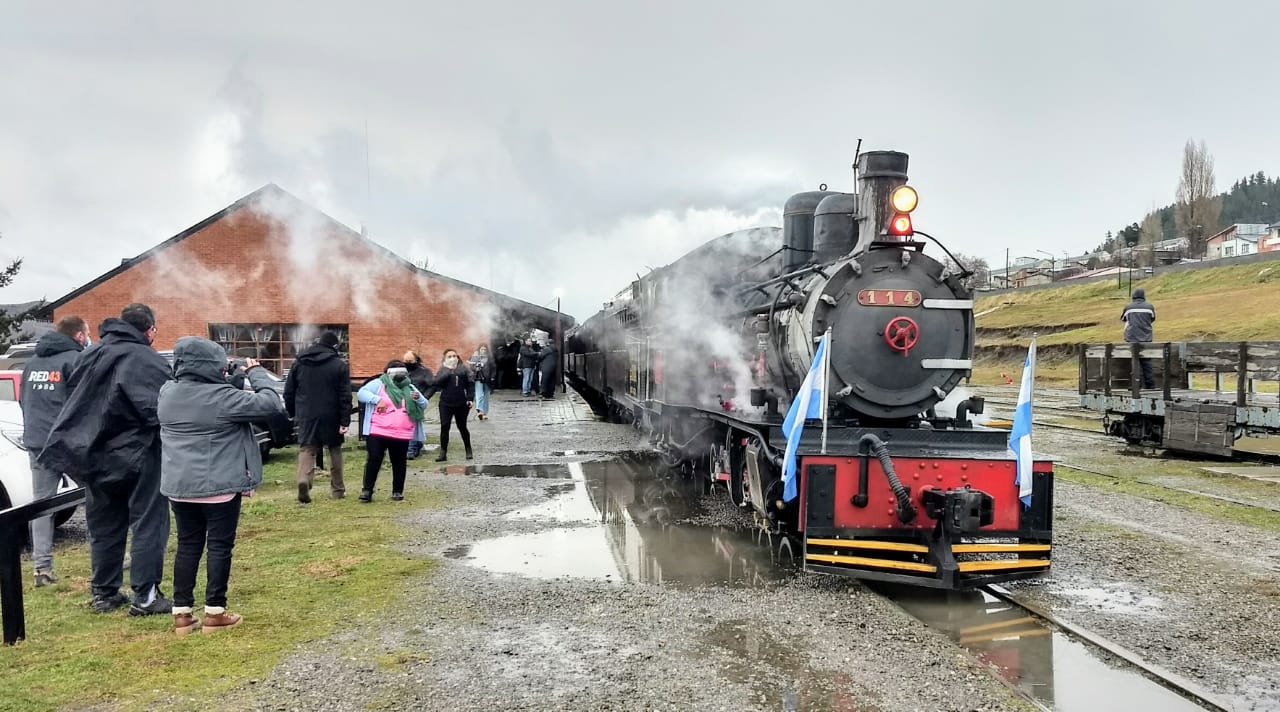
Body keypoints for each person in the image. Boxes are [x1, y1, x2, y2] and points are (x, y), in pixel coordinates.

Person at [40, 304, 173, 615]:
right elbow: (157, 409)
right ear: (149, 330)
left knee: (104, 525)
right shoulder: (145, 360)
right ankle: (146, 596)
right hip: (139, 454)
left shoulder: (88, 355)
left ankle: (104, 593)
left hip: (92, 454)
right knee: (149, 523)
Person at [158, 339, 285, 635]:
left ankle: (182, 615)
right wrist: (255, 373)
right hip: (219, 487)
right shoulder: (223, 398)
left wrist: (233, 381)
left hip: (180, 486)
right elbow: (270, 404)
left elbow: (209, 401)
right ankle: (215, 611)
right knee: (218, 546)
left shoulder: (167, 392)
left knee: (188, 546)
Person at [19, 316, 90, 587]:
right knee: (97, 497)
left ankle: (42, 569)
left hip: (37, 442)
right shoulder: (75, 360)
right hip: (69, 442)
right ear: (79, 336)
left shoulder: (32, 363)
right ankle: (109, 557)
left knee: (42, 506)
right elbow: (83, 404)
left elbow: (25, 401)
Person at [284, 332, 352, 503]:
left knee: (307, 449)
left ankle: (303, 481)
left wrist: (293, 412)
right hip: (332, 413)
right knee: (334, 449)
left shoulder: (299, 362)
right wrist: (345, 420)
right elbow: (345, 395)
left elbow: (288, 392)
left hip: (306, 414)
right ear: (334, 346)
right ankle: (338, 490)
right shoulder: (339, 365)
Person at [356, 361, 427, 502]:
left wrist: (418, 398)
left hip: (402, 432)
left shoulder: (410, 386)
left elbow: (425, 404)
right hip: (378, 430)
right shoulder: (378, 384)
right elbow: (361, 393)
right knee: (374, 459)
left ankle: (397, 491)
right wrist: (377, 399)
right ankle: (367, 490)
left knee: (399, 461)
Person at [428, 349, 475, 461]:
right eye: (449, 356)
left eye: (454, 356)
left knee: (462, 426)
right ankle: (443, 453)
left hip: (461, 402)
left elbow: (470, 384)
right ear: (445, 358)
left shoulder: (463, 369)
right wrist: (448, 372)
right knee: (445, 426)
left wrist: (470, 398)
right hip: (445, 403)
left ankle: (468, 449)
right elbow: (436, 383)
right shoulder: (443, 370)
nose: (453, 358)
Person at [1121, 287, 1157, 389]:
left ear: (1133, 296)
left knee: (1134, 361)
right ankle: (1150, 385)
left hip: (1132, 337)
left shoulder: (1129, 307)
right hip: (1146, 337)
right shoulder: (1149, 307)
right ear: (1143, 296)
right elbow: (1153, 318)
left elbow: (1124, 319)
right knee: (1147, 361)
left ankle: (1136, 384)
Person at [402, 351, 434, 458]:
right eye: (405, 361)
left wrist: (424, 397)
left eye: (409, 361)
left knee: (414, 424)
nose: (407, 363)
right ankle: (415, 445)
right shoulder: (402, 371)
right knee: (410, 424)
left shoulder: (425, 372)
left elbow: (432, 386)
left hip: (418, 401)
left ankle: (412, 449)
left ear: (416, 360)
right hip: (403, 402)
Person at [469, 345, 496, 421]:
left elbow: (493, 368)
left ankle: (484, 412)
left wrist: (492, 377)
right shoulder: (475, 356)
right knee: (479, 394)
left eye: (484, 349)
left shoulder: (489, 358)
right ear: (479, 349)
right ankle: (479, 411)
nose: (483, 350)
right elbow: (471, 366)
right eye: (482, 349)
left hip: (487, 379)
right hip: (478, 378)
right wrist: (476, 368)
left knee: (486, 396)